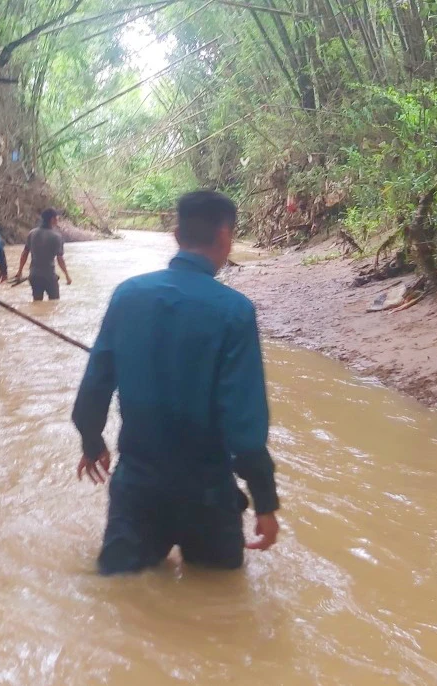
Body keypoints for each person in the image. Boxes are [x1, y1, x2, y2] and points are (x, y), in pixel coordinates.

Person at [71, 190, 280, 575]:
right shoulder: (234, 312)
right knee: (218, 606)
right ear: (224, 237)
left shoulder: (128, 295)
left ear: (176, 234)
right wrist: (265, 502)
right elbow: (244, 423)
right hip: (209, 494)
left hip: (138, 486)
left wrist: (92, 440)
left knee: (118, 596)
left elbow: (97, 382)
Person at [14, 208, 71, 301]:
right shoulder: (57, 237)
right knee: (54, 303)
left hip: (34, 275)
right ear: (52, 219)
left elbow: (24, 254)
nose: (58, 219)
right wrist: (67, 276)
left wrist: (19, 271)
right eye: (57, 217)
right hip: (49, 276)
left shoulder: (32, 233)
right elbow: (60, 259)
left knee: (37, 302)